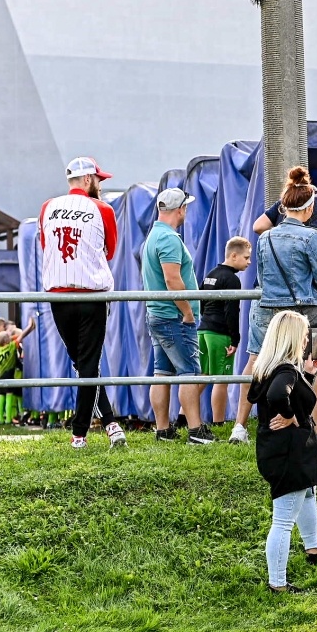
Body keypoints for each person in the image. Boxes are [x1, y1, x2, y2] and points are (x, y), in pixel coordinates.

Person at [236, 168, 317, 444]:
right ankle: (316, 430)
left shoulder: (265, 237)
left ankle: (239, 427)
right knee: (311, 365)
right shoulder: (313, 236)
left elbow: (262, 277)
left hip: (267, 309)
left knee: (256, 363)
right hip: (306, 310)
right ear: (310, 207)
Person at [38, 156, 127, 451]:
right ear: (89, 180)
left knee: (82, 364)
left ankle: (111, 423)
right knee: (88, 365)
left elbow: (45, 247)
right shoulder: (102, 208)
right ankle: (81, 434)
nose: (100, 185)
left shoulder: (47, 207)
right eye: (99, 180)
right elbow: (110, 251)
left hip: (58, 296)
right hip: (92, 295)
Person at [247, 309, 317, 593]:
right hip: (289, 451)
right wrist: (292, 415)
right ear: (292, 338)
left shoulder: (270, 367)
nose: (306, 341)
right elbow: (278, 394)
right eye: (303, 335)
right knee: (283, 519)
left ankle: (313, 549)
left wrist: (308, 374)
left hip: (278, 448)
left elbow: (276, 390)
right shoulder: (286, 371)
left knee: (306, 495)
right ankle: (277, 583)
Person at [141, 187, 213, 444]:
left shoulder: (153, 236)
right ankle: (196, 431)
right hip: (175, 316)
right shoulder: (170, 239)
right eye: (186, 207)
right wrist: (188, 313)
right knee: (189, 372)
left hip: (157, 314)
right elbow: (173, 280)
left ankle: (163, 431)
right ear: (180, 209)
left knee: (162, 373)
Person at [198, 236, 252, 427]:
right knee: (222, 379)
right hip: (220, 333)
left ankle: (183, 417)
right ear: (234, 255)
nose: (249, 262)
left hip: (203, 330)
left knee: (203, 374)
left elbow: (201, 301)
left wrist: (206, 321)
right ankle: (218, 423)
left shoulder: (210, 274)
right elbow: (231, 311)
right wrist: (235, 339)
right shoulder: (232, 279)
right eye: (246, 258)